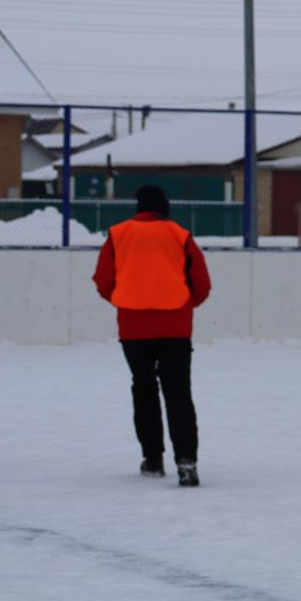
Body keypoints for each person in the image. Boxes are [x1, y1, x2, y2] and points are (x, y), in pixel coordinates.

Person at [94, 185, 213, 485]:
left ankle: (153, 459)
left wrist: (126, 301)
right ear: (164, 207)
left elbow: (103, 281)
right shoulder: (180, 235)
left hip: (134, 330)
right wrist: (183, 306)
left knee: (144, 390)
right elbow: (202, 284)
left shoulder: (118, 235)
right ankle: (186, 463)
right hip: (175, 328)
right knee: (179, 394)